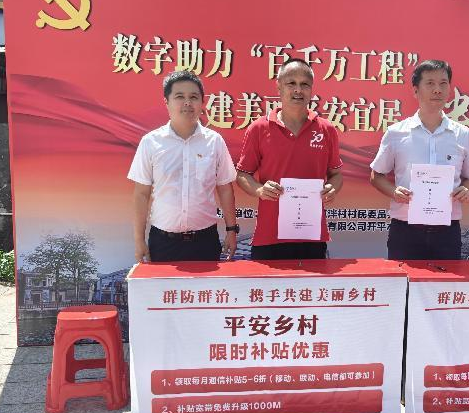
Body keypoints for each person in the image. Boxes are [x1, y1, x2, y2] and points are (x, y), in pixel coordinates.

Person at [235, 58, 343, 260]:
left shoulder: (326, 129)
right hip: (269, 237)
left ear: (312, 89)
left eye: (305, 84)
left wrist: (332, 188)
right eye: (291, 83)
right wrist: (259, 190)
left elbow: (336, 174)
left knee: (312, 282)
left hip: (311, 236)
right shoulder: (259, 128)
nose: (298, 90)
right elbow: (242, 174)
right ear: (279, 86)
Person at [369, 59, 469, 260]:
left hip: (447, 231)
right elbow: (377, 176)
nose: (437, 90)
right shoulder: (396, 133)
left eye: (443, 83)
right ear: (415, 90)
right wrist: (394, 192)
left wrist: (466, 189)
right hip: (405, 230)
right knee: (404, 281)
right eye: (430, 83)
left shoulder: (463, 134)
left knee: (447, 281)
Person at [128, 70, 238, 263]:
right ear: (167, 102)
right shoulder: (150, 142)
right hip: (163, 242)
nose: (187, 102)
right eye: (180, 97)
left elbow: (225, 188)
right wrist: (139, 240)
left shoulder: (214, 141)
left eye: (194, 97)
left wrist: (231, 230)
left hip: (205, 241)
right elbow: (141, 194)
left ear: (202, 103)